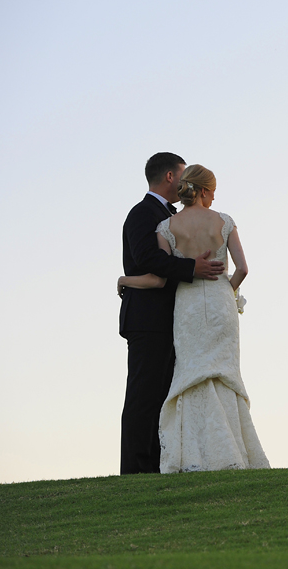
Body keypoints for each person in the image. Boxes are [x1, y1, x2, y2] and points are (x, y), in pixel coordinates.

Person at [120, 164, 269, 473]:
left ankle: (193, 456)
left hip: (185, 307)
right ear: (203, 191)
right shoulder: (224, 221)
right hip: (220, 304)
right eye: (212, 192)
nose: (214, 198)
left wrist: (124, 280)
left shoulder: (166, 226)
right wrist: (226, 293)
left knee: (189, 376)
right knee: (224, 375)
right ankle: (233, 451)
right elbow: (242, 269)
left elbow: (159, 276)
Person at [119, 152, 225, 475]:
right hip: (147, 321)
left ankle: (156, 467)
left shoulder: (172, 217)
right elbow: (148, 259)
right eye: (182, 173)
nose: (185, 179)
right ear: (169, 177)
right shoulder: (142, 214)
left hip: (173, 321)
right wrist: (194, 267)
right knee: (143, 398)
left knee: (163, 397)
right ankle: (135, 471)